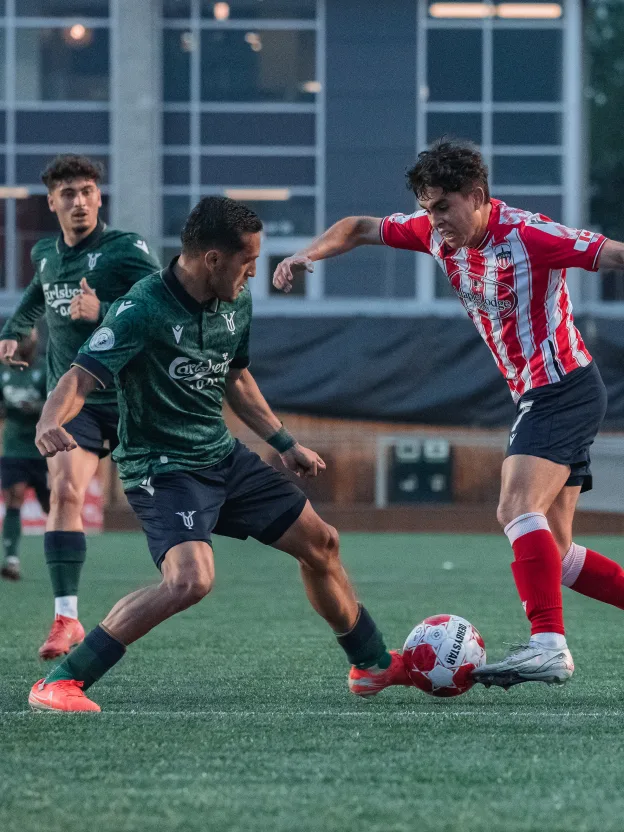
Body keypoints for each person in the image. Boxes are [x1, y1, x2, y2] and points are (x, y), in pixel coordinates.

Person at [27, 196, 408, 712]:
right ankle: (62, 681)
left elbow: (237, 377)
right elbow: (80, 375)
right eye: (247, 261)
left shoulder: (236, 302)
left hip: (222, 456)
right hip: (162, 468)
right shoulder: (141, 309)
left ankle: (371, 664)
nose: (254, 272)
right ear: (211, 258)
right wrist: (51, 419)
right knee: (190, 580)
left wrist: (284, 442)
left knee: (321, 542)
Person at [273, 138, 624, 689]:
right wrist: (304, 255)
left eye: (442, 207)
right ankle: (549, 639)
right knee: (553, 550)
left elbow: (613, 253)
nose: (432, 221)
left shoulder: (531, 234)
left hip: (563, 388)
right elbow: (359, 227)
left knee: (514, 505)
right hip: (542, 393)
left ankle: (549, 646)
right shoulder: (435, 234)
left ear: (477, 196)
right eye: (426, 207)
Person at [0, 155, 160, 659]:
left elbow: (169, 305)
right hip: (78, 399)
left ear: (98, 196)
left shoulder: (125, 249)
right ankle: (66, 617)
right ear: (52, 203)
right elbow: (34, 297)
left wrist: (105, 312)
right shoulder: (46, 253)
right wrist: (12, 330)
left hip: (136, 397)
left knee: (186, 505)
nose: (79, 201)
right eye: (68, 193)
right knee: (65, 490)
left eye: (88, 190)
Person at [0, 330, 49, 580]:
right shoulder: (4, 371)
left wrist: (39, 408)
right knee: (14, 497)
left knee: (52, 505)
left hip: (44, 448)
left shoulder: (46, 368)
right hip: (14, 447)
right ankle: (11, 559)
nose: (22, 342)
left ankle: (63, 556)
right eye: (18, 337)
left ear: (36, 338)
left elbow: (59, 402)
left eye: (27, 337)